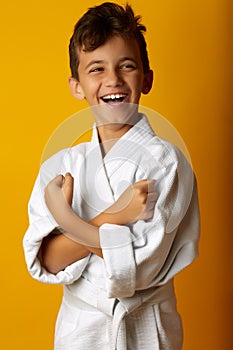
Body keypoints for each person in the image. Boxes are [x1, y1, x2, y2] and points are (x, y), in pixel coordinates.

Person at [23, 2, 200, 349]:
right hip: (79, 332)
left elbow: (140, 266)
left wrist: (68, 222)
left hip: (145, 330)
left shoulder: (167, 162)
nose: (113, 80)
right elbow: (47, 260)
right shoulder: (60, 167)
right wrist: (117, 217)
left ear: (146, 78)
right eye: (96, 69)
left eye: (127, 66)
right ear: (77, 86)